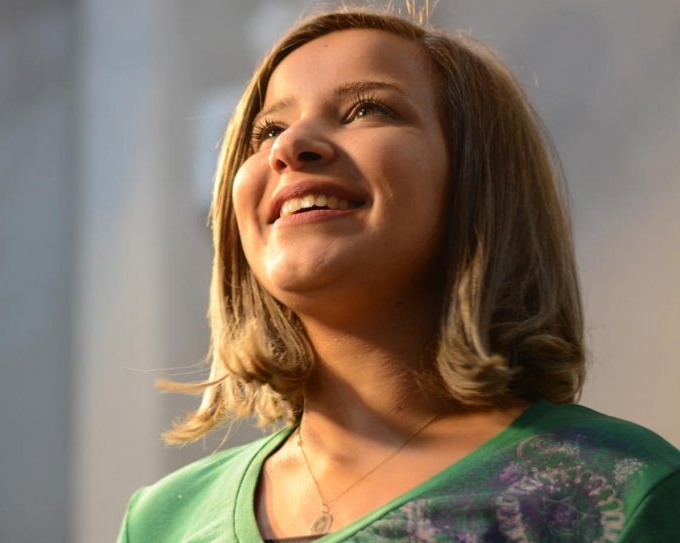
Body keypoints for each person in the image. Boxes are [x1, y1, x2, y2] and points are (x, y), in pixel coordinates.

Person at [118, 7, 680, 542]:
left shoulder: (621, 492)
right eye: (267, 131)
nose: (289, 147)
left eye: (367, 109)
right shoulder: (161, 522)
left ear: (478, 182)